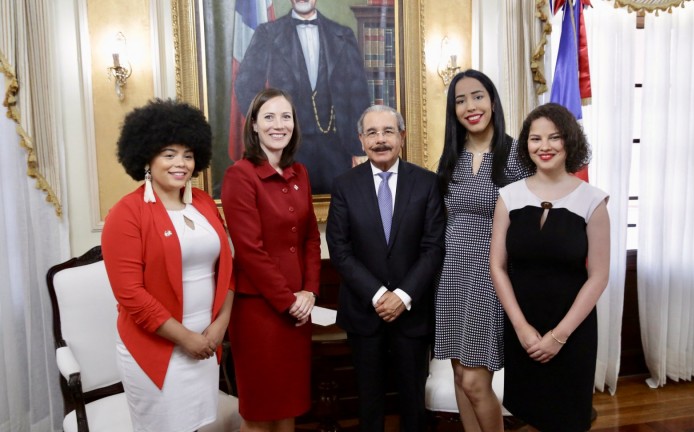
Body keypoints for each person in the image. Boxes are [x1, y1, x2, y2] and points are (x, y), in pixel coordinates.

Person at [101, 99, 235, 432]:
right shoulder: (126, 213)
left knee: (201, 425)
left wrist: (219, 327)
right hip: (158, 351)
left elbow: (229, 270)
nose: (181, 164)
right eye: (169, 154)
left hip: (205, 343)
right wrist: (186, 338)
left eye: (188, 155)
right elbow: (130, 294)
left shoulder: (203, 202)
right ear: (147, 157)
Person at [489, 103, 610, 431]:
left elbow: (598, 276)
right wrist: (521, 327)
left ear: (569, 141)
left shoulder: (593, 200)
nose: (544, 146)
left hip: (573, 330)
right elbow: (497, 266)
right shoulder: (508, 196)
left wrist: (559, 336)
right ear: (526, 145)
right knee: (528, 414)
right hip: (522, 326)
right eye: (535, 138)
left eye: (554, 138)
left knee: (568, 418)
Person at [326, 105, 445, 432]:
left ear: (402, 137)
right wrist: (379, 295)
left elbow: (433, 247)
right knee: (369, 402)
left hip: (413, 312)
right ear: (361, 139)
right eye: (372, 133)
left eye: (388, 131)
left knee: (413, 403)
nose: (380, 140)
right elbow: (340, 249)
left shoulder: (426, 183)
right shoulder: (344, 185)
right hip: (364, 313)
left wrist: (403, 296)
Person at [434, 69, 533, 432]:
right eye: (460, 101)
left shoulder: (516, 158)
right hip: (451, 279)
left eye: (477, 96)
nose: (470, 106)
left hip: (490, 279)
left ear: (492, 101)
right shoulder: (450, 158)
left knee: (476, 382)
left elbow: (528, 229)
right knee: (460, 374)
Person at [221, 88, 321, 432]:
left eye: (286, 117)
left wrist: (309, 292)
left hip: (299, 309)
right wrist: (288, 300)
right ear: (253, 125)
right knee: (261, 410)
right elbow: (249, 250)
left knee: (289, 404)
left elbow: (310, 237)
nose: (278, 125)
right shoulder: (240, 175)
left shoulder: (300, 173)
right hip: (259, 311)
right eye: (269, 117)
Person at [234, 0, 370, 195]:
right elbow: (245, 86)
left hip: (337, 149)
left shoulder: (343, 34)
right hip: (287, 149)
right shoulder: (268, 33)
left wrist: (358, 148)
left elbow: (359, 95)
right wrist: (269, 130)